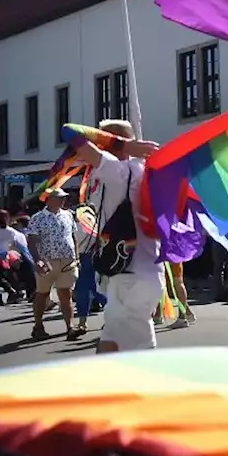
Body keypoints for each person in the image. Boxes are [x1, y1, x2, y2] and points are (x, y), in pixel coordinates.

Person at [66, 119, 163, 353]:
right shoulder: (148, 168)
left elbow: (70, 132)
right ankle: (105, 388)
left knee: (136, 348)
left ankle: (145, 388)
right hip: (141, 268)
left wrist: (122, 147)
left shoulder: (114, 168)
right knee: (113, 338)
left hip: (130, 273)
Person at [26, 188, 79, 340]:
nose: (63, 201)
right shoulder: (38, 218)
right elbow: (32, 241)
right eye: (59, 198)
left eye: (64, 198)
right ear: (49, 200)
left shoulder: (68, 215)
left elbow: (72, 236)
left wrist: (77, 257)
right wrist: (37, 260)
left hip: (67, 260)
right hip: (47, 261)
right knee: (43, 294)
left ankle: (70, 327)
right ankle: (38, 326)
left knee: (65, 293)